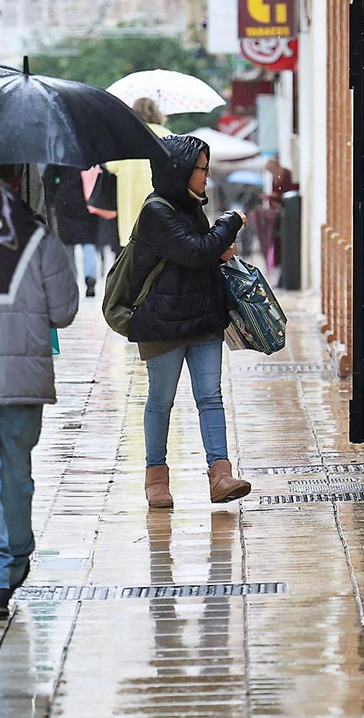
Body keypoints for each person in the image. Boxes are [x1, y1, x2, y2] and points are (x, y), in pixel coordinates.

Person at [0, 225, 79, 619]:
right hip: (23, 381)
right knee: (16, 477)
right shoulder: (38, 239)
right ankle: (16, 559)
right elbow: (64, 311)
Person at [127, 135, 251, 507]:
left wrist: (218, 249)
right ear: (181, 170)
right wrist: (230, 222)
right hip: (164, 323)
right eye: (202, 169)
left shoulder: (192, 206)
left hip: (203, 319)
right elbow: (195, 251)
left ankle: (221, 474)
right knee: (161, 400)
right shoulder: (157, 210)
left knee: (210, 397)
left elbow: (202, 252)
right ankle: (156, 478)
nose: (207, 176)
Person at [105, 97, 165, 248]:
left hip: (130, 201)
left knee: (134, 246)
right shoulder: (166, 134)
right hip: (159, 200)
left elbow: (111, 166)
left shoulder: (125, 137)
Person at [44, 167, 105, 297]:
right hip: (88, 203)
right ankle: (90, 277)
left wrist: (51, 200)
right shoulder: (89, 156)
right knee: (88, 243)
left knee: (68, 247)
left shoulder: (60, 158)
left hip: (65, 203)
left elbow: (49, 180)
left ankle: (71, 280)